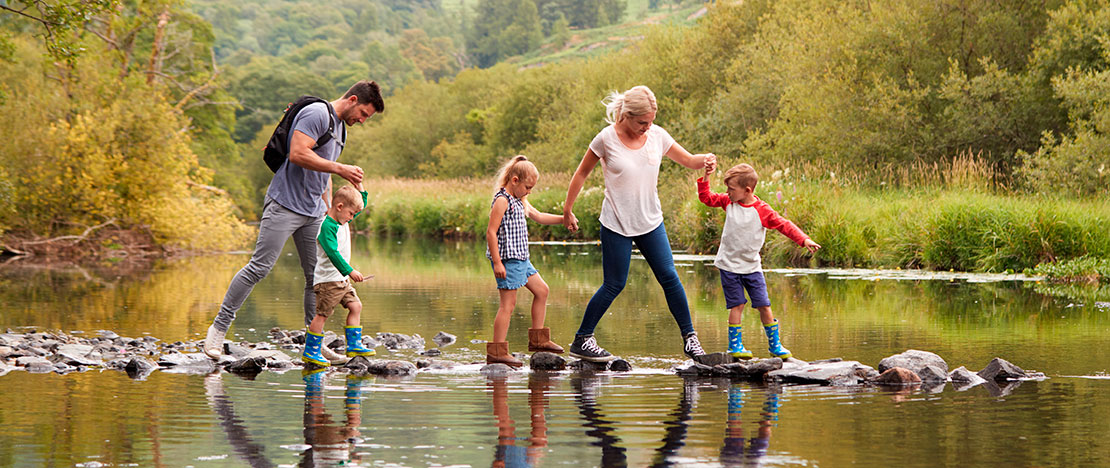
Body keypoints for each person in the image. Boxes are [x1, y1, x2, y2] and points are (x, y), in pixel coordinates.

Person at [202, 80, 384, 359]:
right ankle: (216, 333)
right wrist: (340, 168)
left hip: (314, 212)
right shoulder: (317, 114)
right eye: (363, 114)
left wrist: (328, 209)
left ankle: (314, 345)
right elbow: (299, 153)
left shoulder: (340, 132)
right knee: (259, 268)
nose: (362, 120)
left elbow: (324, 177)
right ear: (353, 99)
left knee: (317, 277)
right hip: (284, 204)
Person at [561, 85, 716, 362]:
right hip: (616, 223)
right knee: (614, 284)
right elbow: (581, 173)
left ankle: (691, 340)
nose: (648, 127)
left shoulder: (657, 136)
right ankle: (582, 340)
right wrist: (568, 209)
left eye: (651, 121)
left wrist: (705, 160)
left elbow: (689, 160)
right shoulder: (606, 139)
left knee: (669, 277)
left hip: (650, 221)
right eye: (642, 122)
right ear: (626, 116)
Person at [697, 162, 820, 359]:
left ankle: (775, 345)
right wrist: (706, 177)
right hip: (729, 266)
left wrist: (803, 239)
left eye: (731, 189)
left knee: (764, 305)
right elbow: (706, 198)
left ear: (747, 190)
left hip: (752, 267)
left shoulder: (762, 210)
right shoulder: (728, 202)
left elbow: (784, 225)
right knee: (736, 305)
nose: (727, 192)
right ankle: (735, 346)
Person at [485, 155, 565, 368]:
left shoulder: (520, 200)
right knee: (507, 306)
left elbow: (539, 216)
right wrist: (497, 263)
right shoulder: (502, 200)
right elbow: (491, 233)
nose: (529, 191)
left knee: (542, 291)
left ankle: (539, 340)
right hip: (508, 261)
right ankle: (497, 351)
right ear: (514, 180)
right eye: (528, 187)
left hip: (522, 259)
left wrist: (564, 218)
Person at [301, 183, 376, 367]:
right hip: (328, 281)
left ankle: (354, 345)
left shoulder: (343, 219)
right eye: (351, 214)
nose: (353, 218)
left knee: (355, 306)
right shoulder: (327, 227)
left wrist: (359, 186)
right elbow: (333, 253)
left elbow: (360, 204)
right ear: (339, 207)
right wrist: (350, 271)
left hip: (340, 281)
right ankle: (311, 351)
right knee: (322, 315)